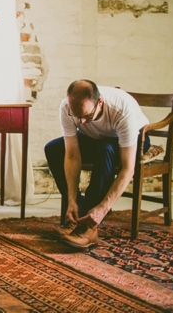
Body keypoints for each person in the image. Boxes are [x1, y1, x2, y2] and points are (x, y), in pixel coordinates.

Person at [44, 80, 149, 248]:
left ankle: (89, 227)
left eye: (86, 116)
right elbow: (72, 155)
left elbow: (128, 169)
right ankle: (78, 213)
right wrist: (71, 199)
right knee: (53, 149)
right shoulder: (66, 108)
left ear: (100, 103)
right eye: (77, 117)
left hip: (131, 141)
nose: (82, 122)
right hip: (97, 138)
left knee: (105, 149)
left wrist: (103, 209)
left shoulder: (121, 110)